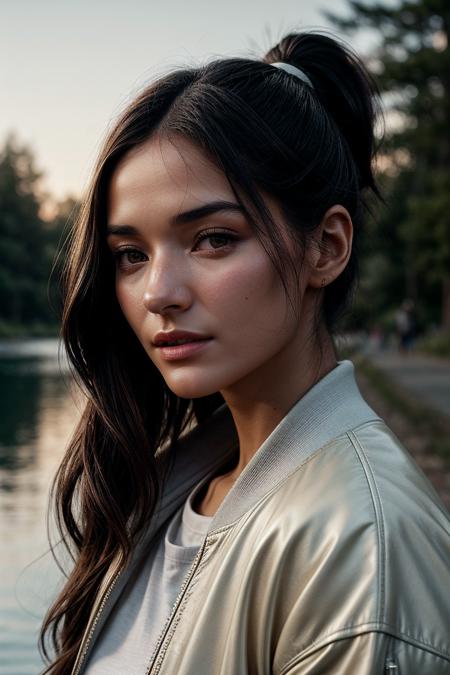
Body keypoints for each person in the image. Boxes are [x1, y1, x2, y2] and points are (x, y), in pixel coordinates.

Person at [39, 31, 450, 675]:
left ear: (327, 247)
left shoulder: (361, 548)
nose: (158, 293)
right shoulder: (176, 490)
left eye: (212, 239)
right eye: (131, 255)